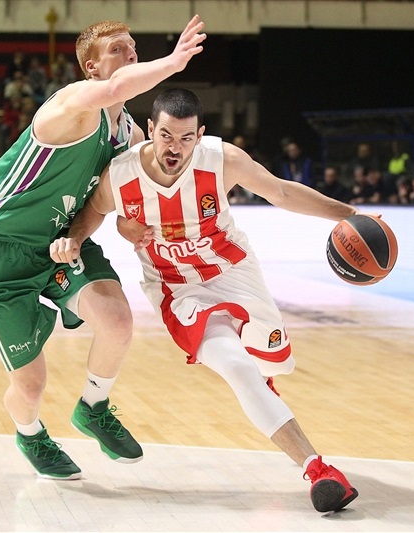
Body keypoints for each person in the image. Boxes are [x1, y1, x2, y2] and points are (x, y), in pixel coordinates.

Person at [50, 88, 359, 513]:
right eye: (164, 136)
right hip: (178, 289)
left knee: (270, 362)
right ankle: (318, 469)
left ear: (200, 135)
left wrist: (351, 216)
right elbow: (94, 211)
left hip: (235, 272)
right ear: (151, 130)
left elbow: (283, 193)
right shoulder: (121, 175)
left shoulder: (222, 160)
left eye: (185, 138)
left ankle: (264, 380)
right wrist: (77, 237)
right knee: (235, 366)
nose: (174, 148)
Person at [0, 17, 206, 481]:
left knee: (117, 320)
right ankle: (30, 433)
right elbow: (116, 87)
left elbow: (131, 194)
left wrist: (130, 224)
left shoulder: (129, 135)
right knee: (30, 384)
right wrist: (174, 63)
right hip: (2, 251)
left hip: (66, 239)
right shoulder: (72, 103)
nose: (131, 54)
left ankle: (93, 407)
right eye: (118, 49)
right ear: (91, 66)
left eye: (133, 47)